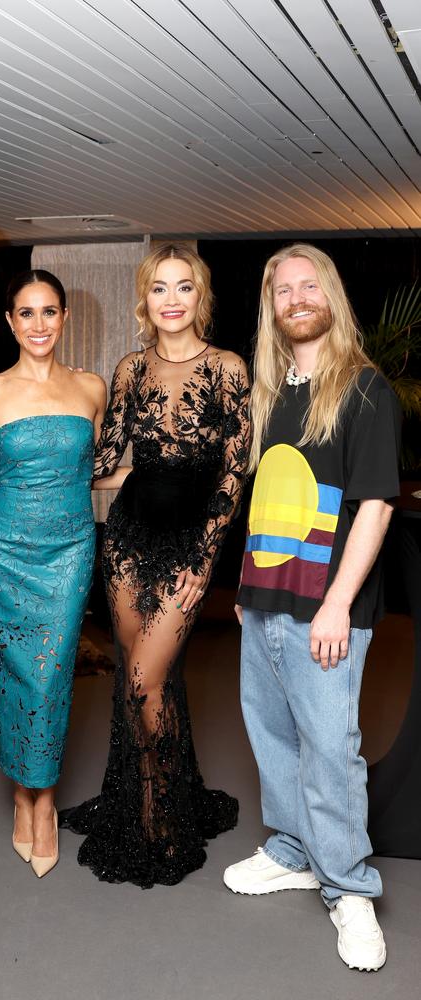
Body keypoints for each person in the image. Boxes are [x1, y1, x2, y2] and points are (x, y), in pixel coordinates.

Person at [225, 244, 401, 973]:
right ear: (271, 307)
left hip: (325, 609)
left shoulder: (362, 388)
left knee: (330, 748)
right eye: (281, 290)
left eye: (308, 286)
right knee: (273, 735)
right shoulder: (272, 392)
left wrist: (337, 603)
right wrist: (244, 587)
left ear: (330, 294)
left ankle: (349, 887)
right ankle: (296, 851)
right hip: (265, 598)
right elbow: (271, 498)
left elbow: (376, 506)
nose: (295, 298)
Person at [59, 243, 250, 888]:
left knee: (144, 677)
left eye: (184, 287)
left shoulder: (227, 368)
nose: (172, 299)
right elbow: (109, 456)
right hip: (129, 539)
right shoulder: (130, 370)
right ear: (145, 300)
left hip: (189, 546)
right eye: (160, 288)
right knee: (143, 681)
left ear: (201, 297)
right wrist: (52, 431)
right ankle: (154, 797)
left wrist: (204, 560)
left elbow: (233, 474)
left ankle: (159, 813)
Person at [0, 269, 106, 878]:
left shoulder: (90, 389)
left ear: (65, 318)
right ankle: (21, 797)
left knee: (52, 674)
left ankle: (43, 800)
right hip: (6, 552)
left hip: (72, 548)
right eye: (26, 314)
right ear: (9, 321)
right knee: (13, 673)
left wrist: (150, 478)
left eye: (49, 312)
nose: (39, 325)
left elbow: (89, 472)